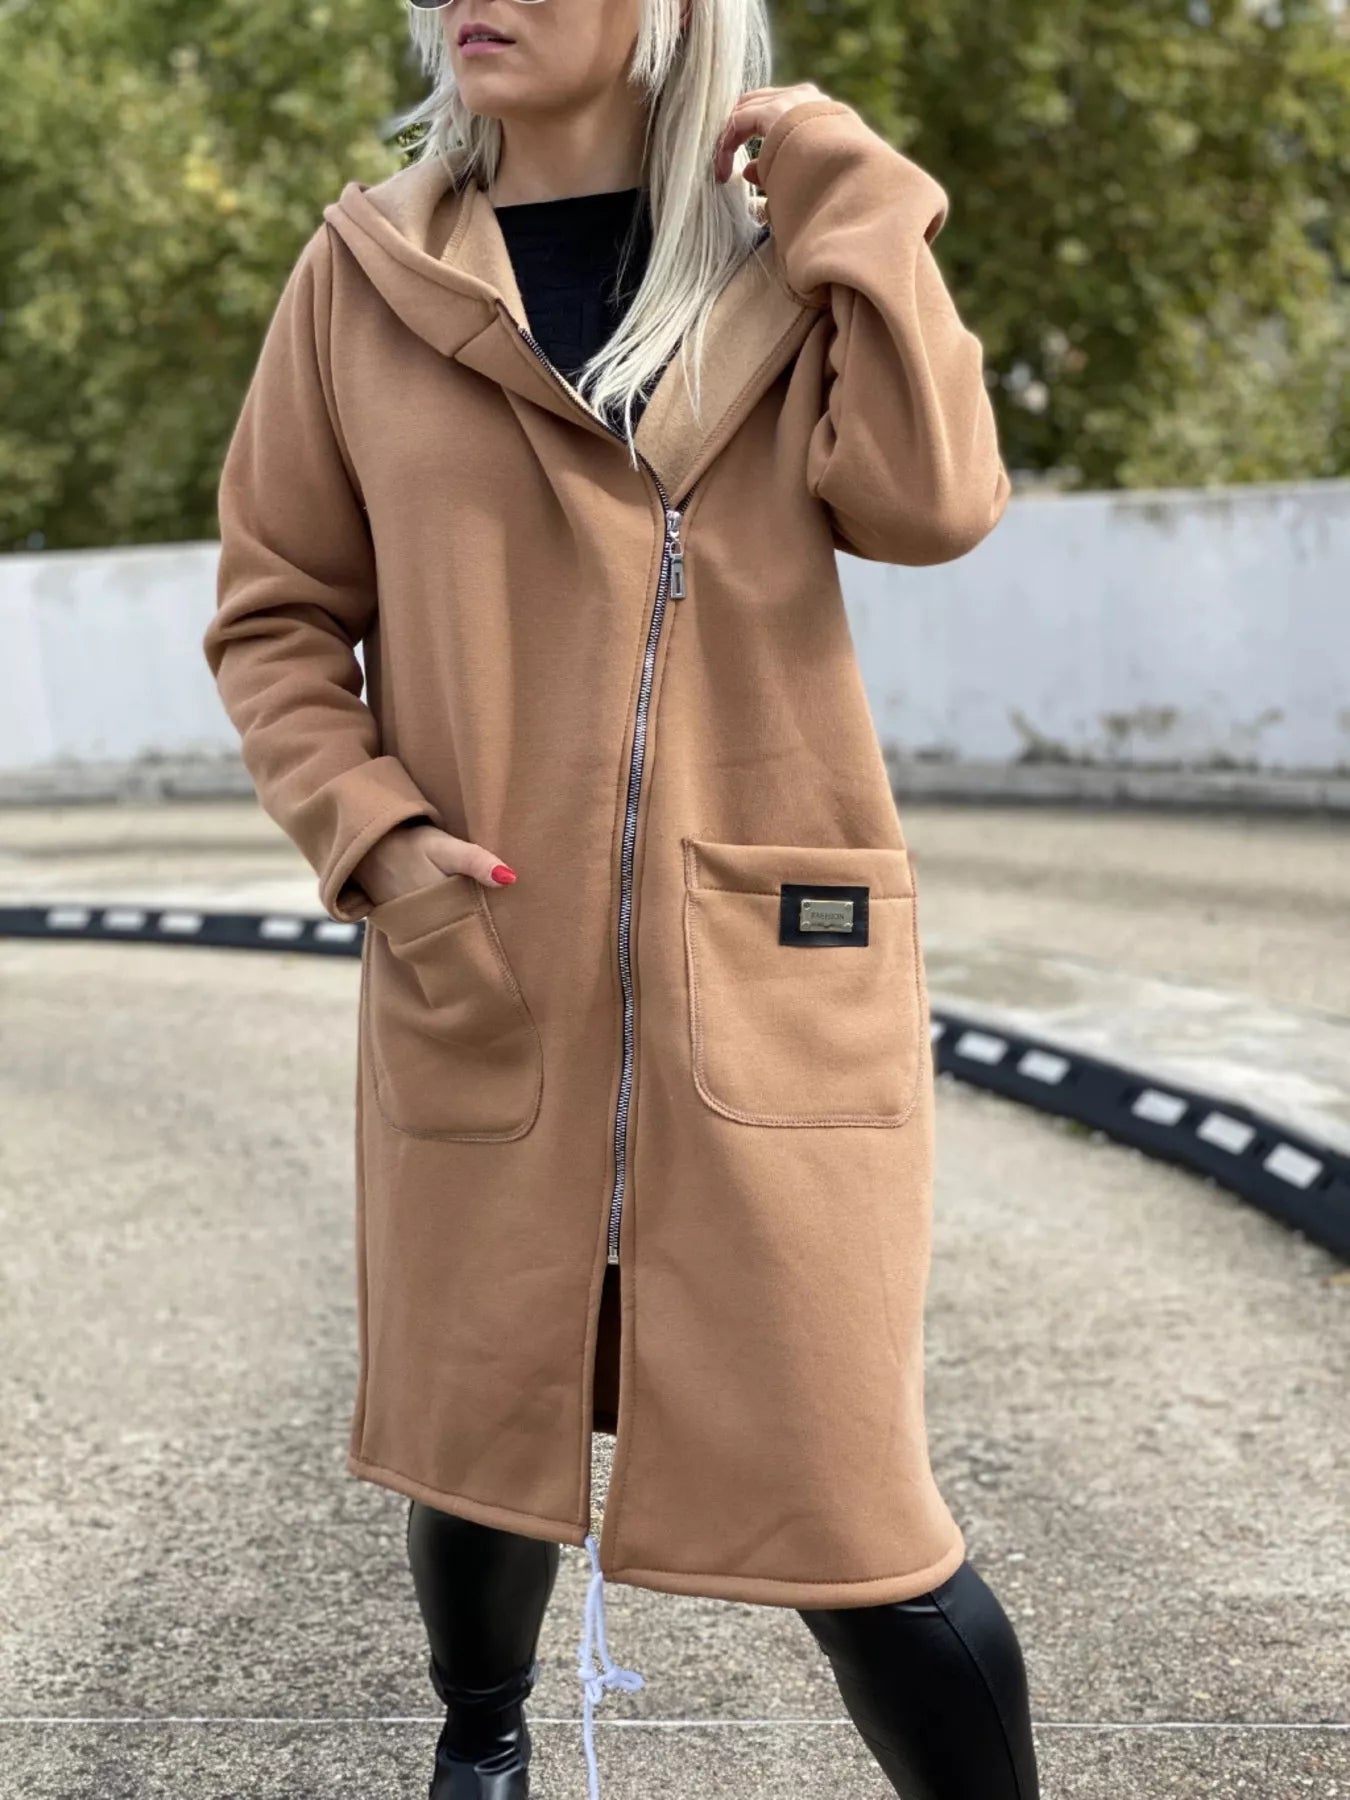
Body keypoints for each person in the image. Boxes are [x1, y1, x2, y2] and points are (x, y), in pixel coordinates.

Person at [202, 0, 1037, 1797]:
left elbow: (932, 501)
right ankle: (481, 1747)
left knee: (856, 1510)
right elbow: (275, 616)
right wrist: (375, 836)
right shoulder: (362, 278)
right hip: (482, 955)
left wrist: (853, 196)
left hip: (771, 970)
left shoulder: (783, 263)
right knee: (481, 1425)